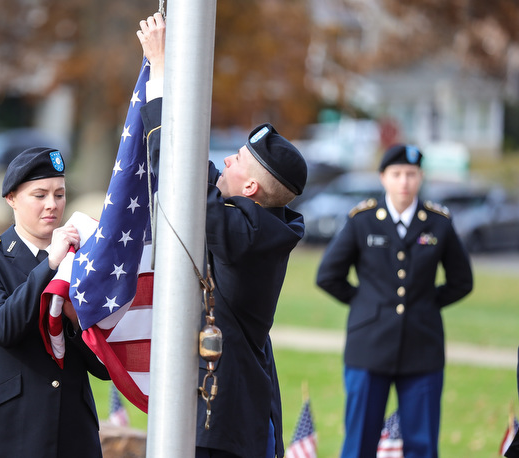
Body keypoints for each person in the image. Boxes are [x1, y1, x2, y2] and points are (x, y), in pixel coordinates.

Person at [137, 13, 308, 458]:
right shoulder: (256, 224)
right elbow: (193, 167)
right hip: (227, 418)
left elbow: (178, 175)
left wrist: (159, 71)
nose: (225, 164)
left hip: (223, 426)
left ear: (250, 189)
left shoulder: (249, 234)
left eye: (236, 160)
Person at [316, 144, 474, 457]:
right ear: (383, 178)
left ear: (421, 178)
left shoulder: (438, 222)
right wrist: (365, 304)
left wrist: (427, 303)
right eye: (397, 174)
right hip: (368, 348)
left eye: (412, 175)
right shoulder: (362, 220)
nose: (405, 181)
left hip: (423, 347)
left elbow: (461, 281)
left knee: (423, 444)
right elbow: (328, 276)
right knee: (359, 442)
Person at [0, 147, 111, 457]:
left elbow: (104, 366)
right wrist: (50, 264)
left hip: (71, 431)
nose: (52, 205)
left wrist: (77, 321)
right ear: (11, 198)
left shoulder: (85, 261)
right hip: (4, 430)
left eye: (59, 194)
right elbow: (2, 327)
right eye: (39, 195)